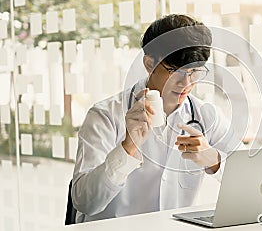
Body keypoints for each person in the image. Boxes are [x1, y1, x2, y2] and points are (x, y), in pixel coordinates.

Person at [71, 14, 241, 223]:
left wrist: (214, 160)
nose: (185, 83)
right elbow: (85, 202)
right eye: (175, 71)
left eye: (195, 72)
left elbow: (253, 178)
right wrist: (127, 148)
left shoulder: (207, 116)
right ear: (149, 63)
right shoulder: (105, 116)